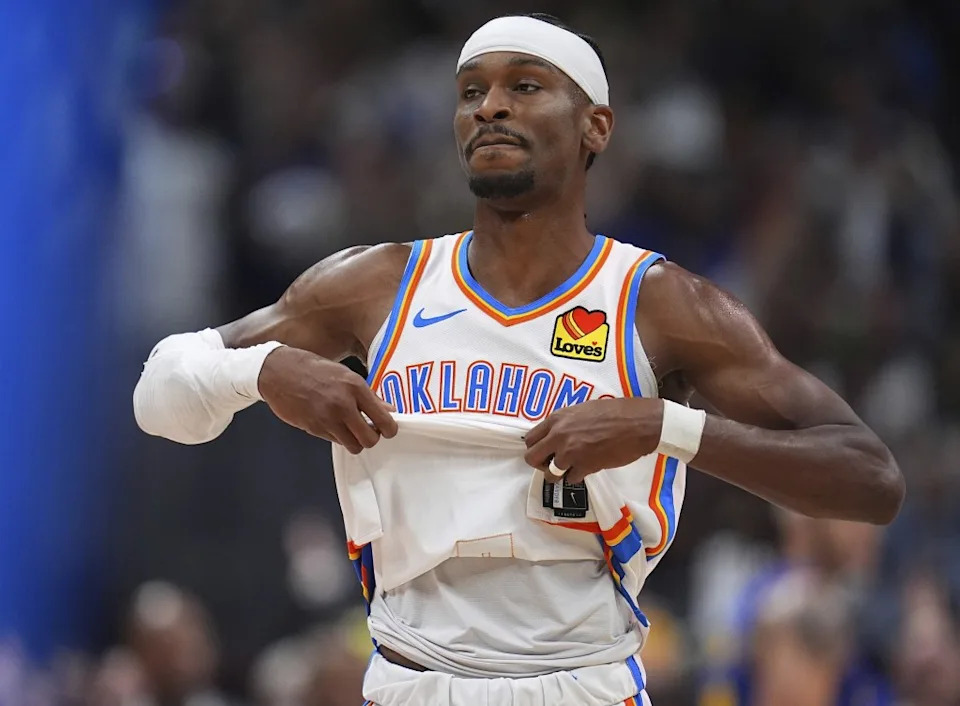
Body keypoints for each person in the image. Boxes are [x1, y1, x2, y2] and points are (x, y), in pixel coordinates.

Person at [133, 13, 904, 706]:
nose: (489, 107)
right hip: (410, 679)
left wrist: (662, 427)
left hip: (581, 683)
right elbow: (158, 396)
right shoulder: (378, 284)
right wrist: (261, 371)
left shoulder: (655, 302)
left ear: (595, 126)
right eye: (471, 92)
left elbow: (870, 478)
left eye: (524, 86)